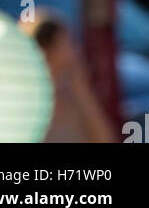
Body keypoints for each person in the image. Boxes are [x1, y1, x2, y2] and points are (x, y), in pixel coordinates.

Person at [25, 13, 116, 143]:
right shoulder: (26, 103)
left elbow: (105, 138)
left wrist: (81, 89)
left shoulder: (73, 94)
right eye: (66, 44)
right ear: (46, 50)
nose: (74, 51)